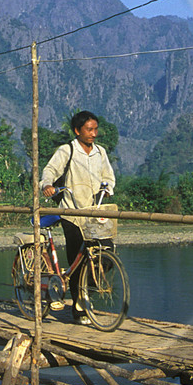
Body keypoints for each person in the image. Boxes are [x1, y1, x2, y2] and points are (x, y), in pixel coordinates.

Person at [40, 111, 115, 323]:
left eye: (95, 129)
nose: (93, 134)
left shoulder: (100, 152)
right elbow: (51, 170)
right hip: (71, 213)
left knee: (107, 250)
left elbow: (109, 176)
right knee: (77, 259)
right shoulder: (68, 150)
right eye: (89, 130)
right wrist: (47, 185)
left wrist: (107, 188)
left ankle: (86, 290)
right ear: (77, 131)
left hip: (94, 212)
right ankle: (78, 307)